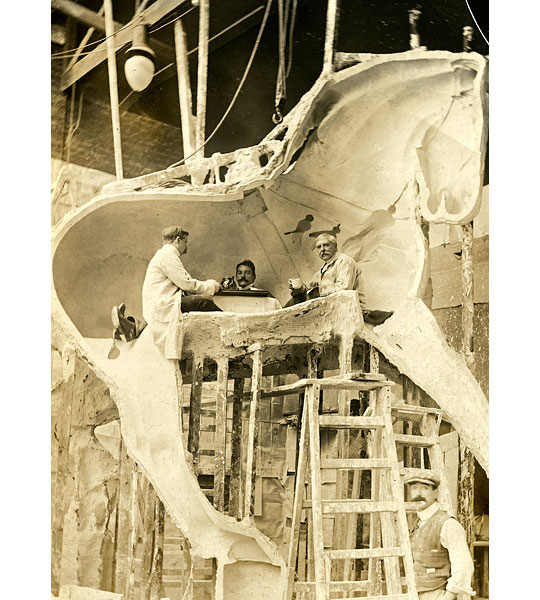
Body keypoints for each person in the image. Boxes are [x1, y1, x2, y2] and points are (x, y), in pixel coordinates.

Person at [112, 226, 221, 346]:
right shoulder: (167, 256)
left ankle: (132, 327)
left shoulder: (164, 255)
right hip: (162, 304)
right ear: (178, 240)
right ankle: (226, 331)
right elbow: (187, 284)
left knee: (200, 302)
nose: (186, 246)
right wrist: (211, 286)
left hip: (159, 303)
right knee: (205, 302)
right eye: (185, 242)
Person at [284, 233, 392, 325]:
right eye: (319, 247)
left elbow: (344, 288)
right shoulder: (323, 269)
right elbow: (309, 287)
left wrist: (319, 291)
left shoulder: (345, 262)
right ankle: (280, 318)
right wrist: (300, 289)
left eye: (326, 245)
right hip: (331, 308)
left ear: (335, 246)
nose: (322, 250)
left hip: (351, 309)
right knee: (297, 298)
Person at [405, 471, 475, 600]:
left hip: (439, 594)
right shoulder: (417, 524)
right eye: (414, 488)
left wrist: (448, 596)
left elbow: (463, 565)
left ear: (435, 493)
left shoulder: (448, 524)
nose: (418, 494)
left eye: (425, 488)